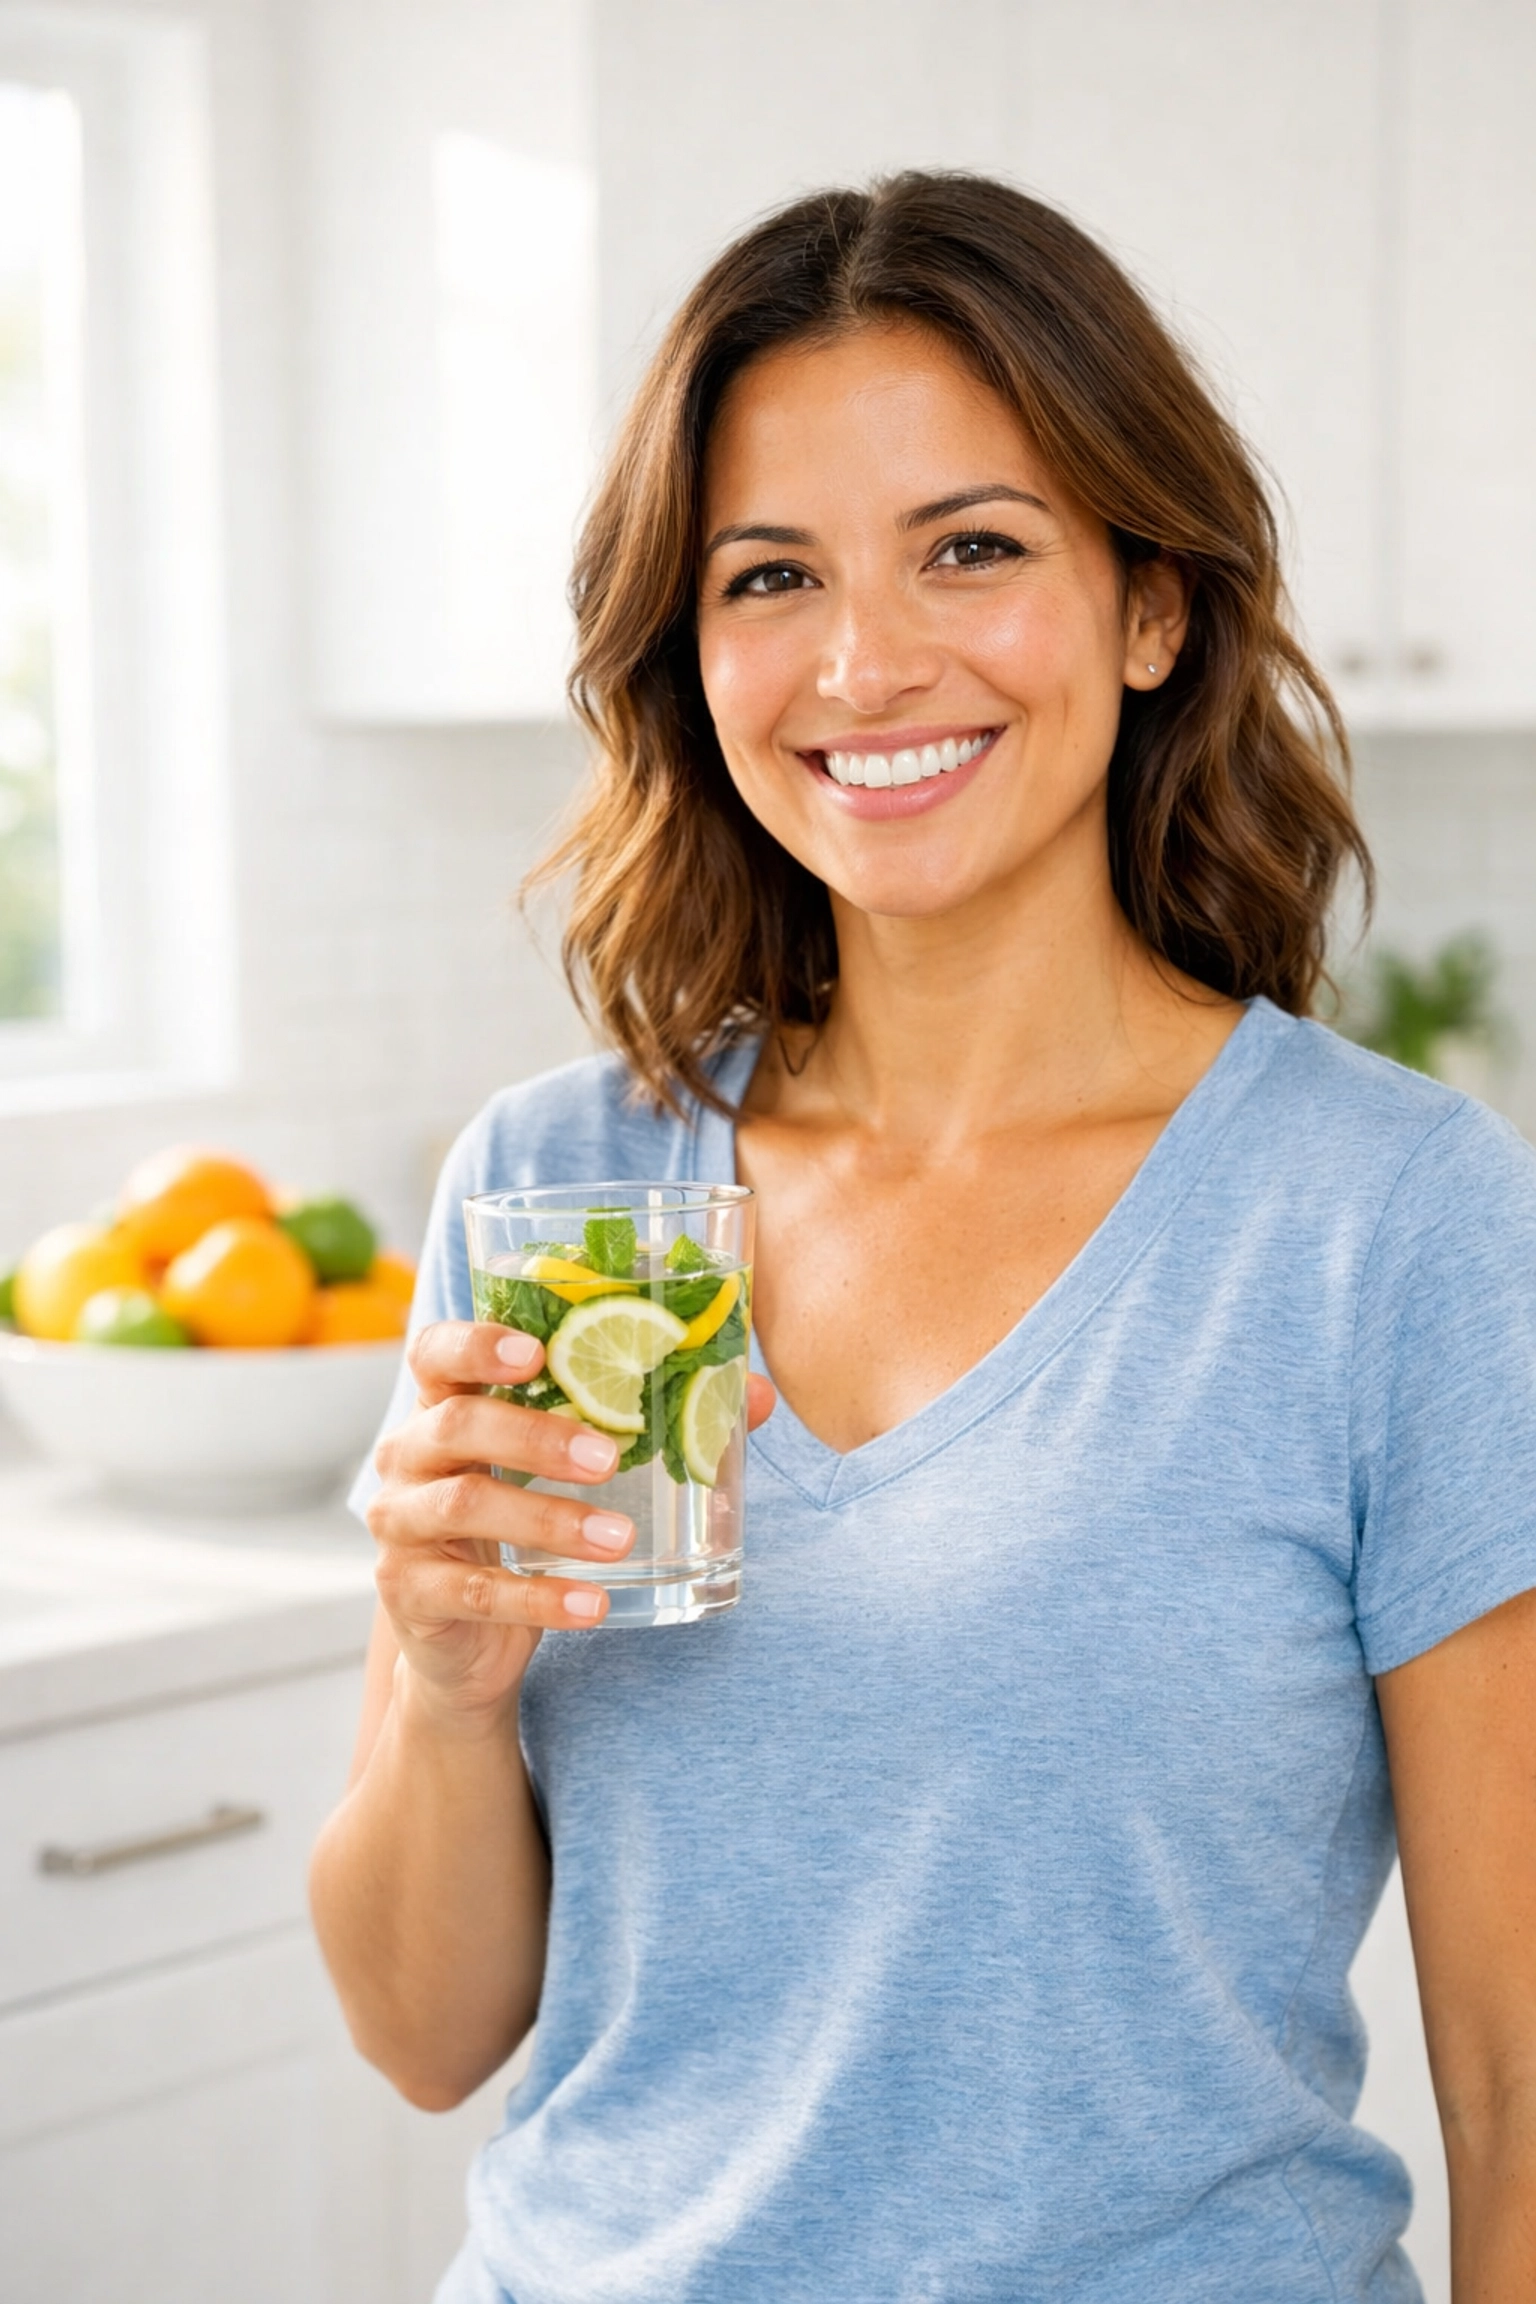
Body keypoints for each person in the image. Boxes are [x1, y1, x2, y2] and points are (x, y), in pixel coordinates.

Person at [310, 173, 1536, 2303]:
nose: (868, 661)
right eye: (770, 575)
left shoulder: (1390, 1222)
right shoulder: (561, 1186)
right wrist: (442, 1688)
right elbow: (428, 2041)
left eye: (972, 546)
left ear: (1152, 609)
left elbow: (1517, 2081)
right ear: (690, 660)